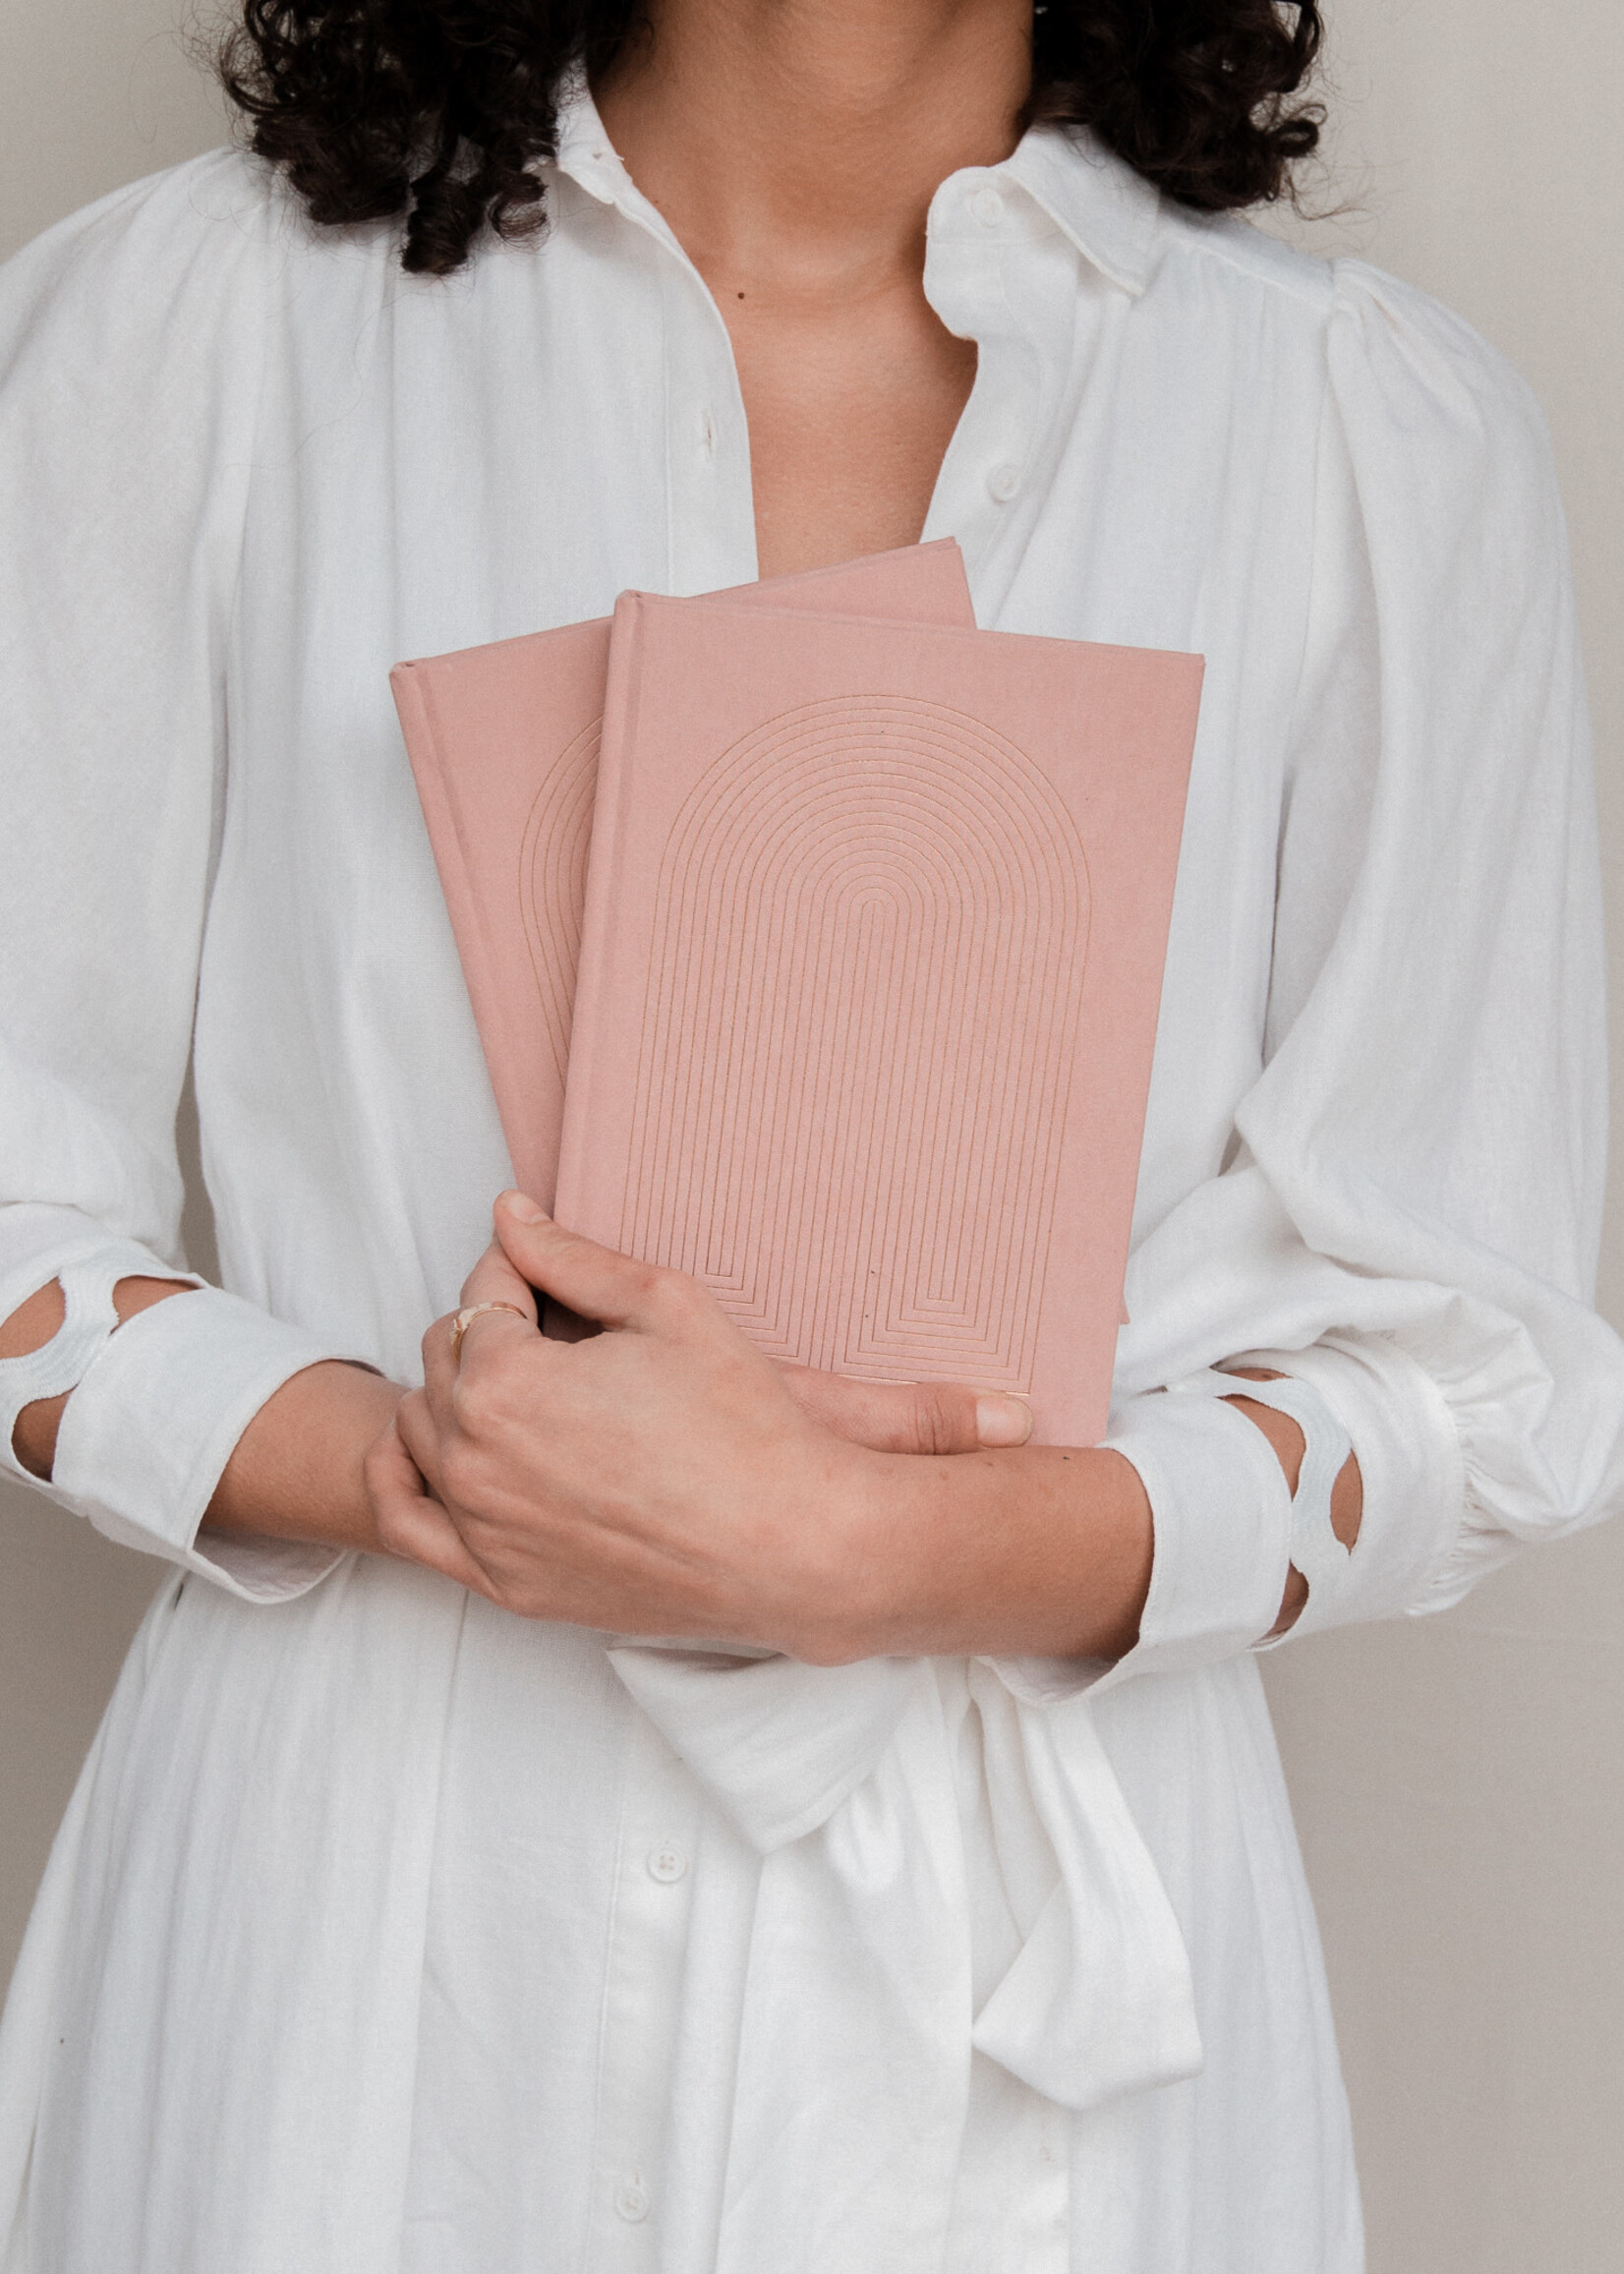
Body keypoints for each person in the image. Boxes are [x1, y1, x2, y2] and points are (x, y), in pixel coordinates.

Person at [0, 0, 1618, 2264]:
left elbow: (1483, 1363)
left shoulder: (1363, 433)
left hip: (1023, 2011)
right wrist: (404, 1454)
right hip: (370, 1962)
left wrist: (868, 1552)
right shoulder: (187, 331)